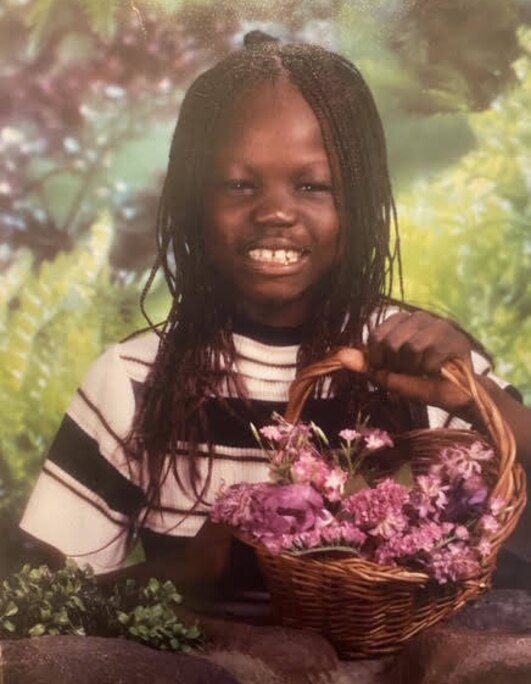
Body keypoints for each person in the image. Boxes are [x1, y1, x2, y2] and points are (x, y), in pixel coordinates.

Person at [19, 31, 531, 612]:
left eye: (313, 185)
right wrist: (190, 572)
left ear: (359, 201)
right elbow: (43, 600)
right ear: (193, 201)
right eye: (239, 184)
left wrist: (472, 396)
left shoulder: (414, 355)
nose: (276, 212)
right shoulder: (134, 379)